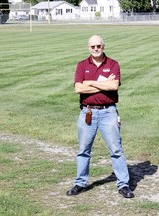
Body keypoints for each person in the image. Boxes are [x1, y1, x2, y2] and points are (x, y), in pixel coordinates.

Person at [66, 35, 134, 198]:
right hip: (87, 112)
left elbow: (113, 86)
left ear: (103, 46)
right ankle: (80, 183)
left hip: (108, 112)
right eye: (92, 46)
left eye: (98, 46)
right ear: (88, 48)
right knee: (83, 150)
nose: (96, 49)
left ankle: (123, 185)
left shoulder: (113, 64)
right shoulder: (82, 65)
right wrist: (102, 85)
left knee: (116, 149)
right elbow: (78, 89)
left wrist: (89, 83)